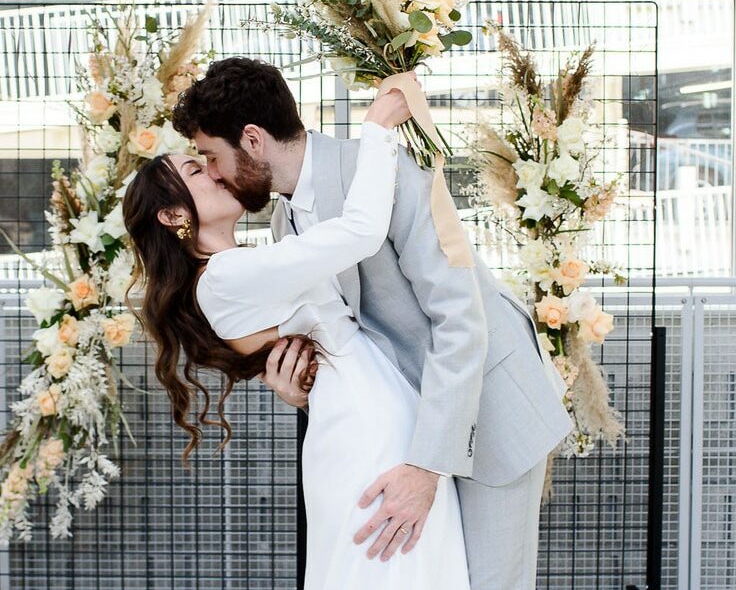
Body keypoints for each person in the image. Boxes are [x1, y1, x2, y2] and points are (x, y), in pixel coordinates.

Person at [169, 57, 574, 589]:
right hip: (407, 424)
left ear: (252, 139)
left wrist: (427, 468)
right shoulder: (283, 219)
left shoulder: (383, 167)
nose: (214, 172)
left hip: (485, 408)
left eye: (210, 157)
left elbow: (460, 319)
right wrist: (301, 385)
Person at [123, 82, 472, 589]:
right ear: (174, 215)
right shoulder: (224, 279)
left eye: (206, 159)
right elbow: (359, 232)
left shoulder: (248, 259)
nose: (215, 170)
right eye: (198, 169)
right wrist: (375, 131)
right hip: (367, 428)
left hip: (369, 413)